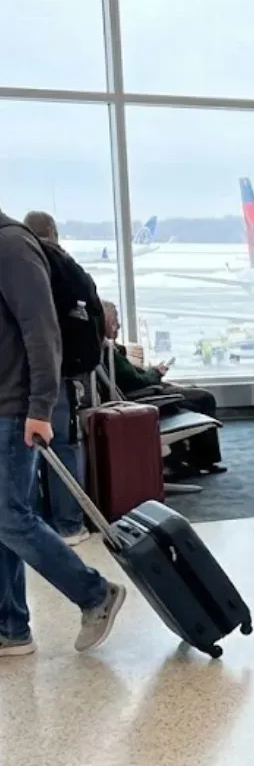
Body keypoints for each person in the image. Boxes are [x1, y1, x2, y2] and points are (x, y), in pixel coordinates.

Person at [0, 210, 125, 657]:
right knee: (4, 520)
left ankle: (95, 594)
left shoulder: (12, 246)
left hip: (14, 409)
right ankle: (11, 627)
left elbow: (42, 331)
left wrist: (40, 407)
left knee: (11, 518)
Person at [22, 210, 100, 544]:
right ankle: (69, 524)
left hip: (23, 375)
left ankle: (34, 525)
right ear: (53, 231)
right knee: (63, 448)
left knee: (27, 451)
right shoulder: (67, 267)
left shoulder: (24, 262)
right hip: (61, 371)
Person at [101, 301, 225, 477]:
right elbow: (137, 381)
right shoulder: (108, 352)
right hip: (144, 395)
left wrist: (150, 371)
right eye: (115, 321)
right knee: (204, 397)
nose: (118, 325)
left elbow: (133, 375)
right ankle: (203, 460)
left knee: (194, 393)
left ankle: (187, 459)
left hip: (145, 391)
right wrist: (156, 373)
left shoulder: (107, 349)